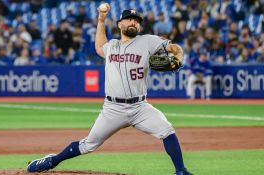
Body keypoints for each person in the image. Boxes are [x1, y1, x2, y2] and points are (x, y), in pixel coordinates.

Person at [27, 4, 192, 175]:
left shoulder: (148, 41)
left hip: (140, 107)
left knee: (166, 130)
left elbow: (174, 48)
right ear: (120, 24)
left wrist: (179, 56)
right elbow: (99, 46)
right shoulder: (111, 46)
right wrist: (101, 20)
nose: (133, 23)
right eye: (129, 19)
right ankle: (52, 161)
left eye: (136, 21)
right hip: (113, 109)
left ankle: (181, 171)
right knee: (88, 145)